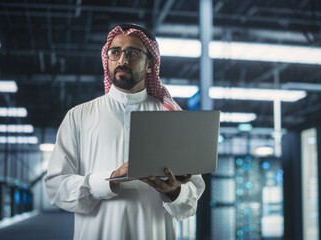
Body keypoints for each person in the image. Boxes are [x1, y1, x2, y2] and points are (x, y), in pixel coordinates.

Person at [44, 23, 205, 239]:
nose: (122, 60)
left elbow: (191, 199)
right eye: (115, 52)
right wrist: (110, 179)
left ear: (150, 65)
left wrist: (173, 191)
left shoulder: (172, 117)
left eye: (133, 53)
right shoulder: (79, 116)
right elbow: (56, 187)